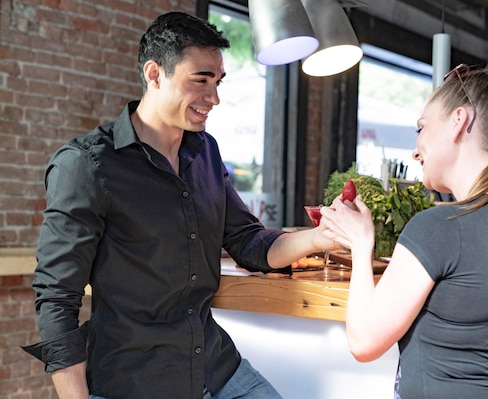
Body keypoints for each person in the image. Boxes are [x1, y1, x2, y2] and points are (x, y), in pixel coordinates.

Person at [22, 12, 334, 399]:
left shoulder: (205, 151)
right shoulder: (87, 164)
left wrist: (321, 237)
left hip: (216, 369)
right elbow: (56, 298)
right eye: (200, 81)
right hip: (133, 382)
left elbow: (248, 242)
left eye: (218, 82)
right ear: (154, 74)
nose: (214, 98)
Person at [321, 59, 488, 398]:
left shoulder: (437, 228)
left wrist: (360, 243)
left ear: (459, 121)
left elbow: (363, 342)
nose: (415, 151)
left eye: (421, 128)